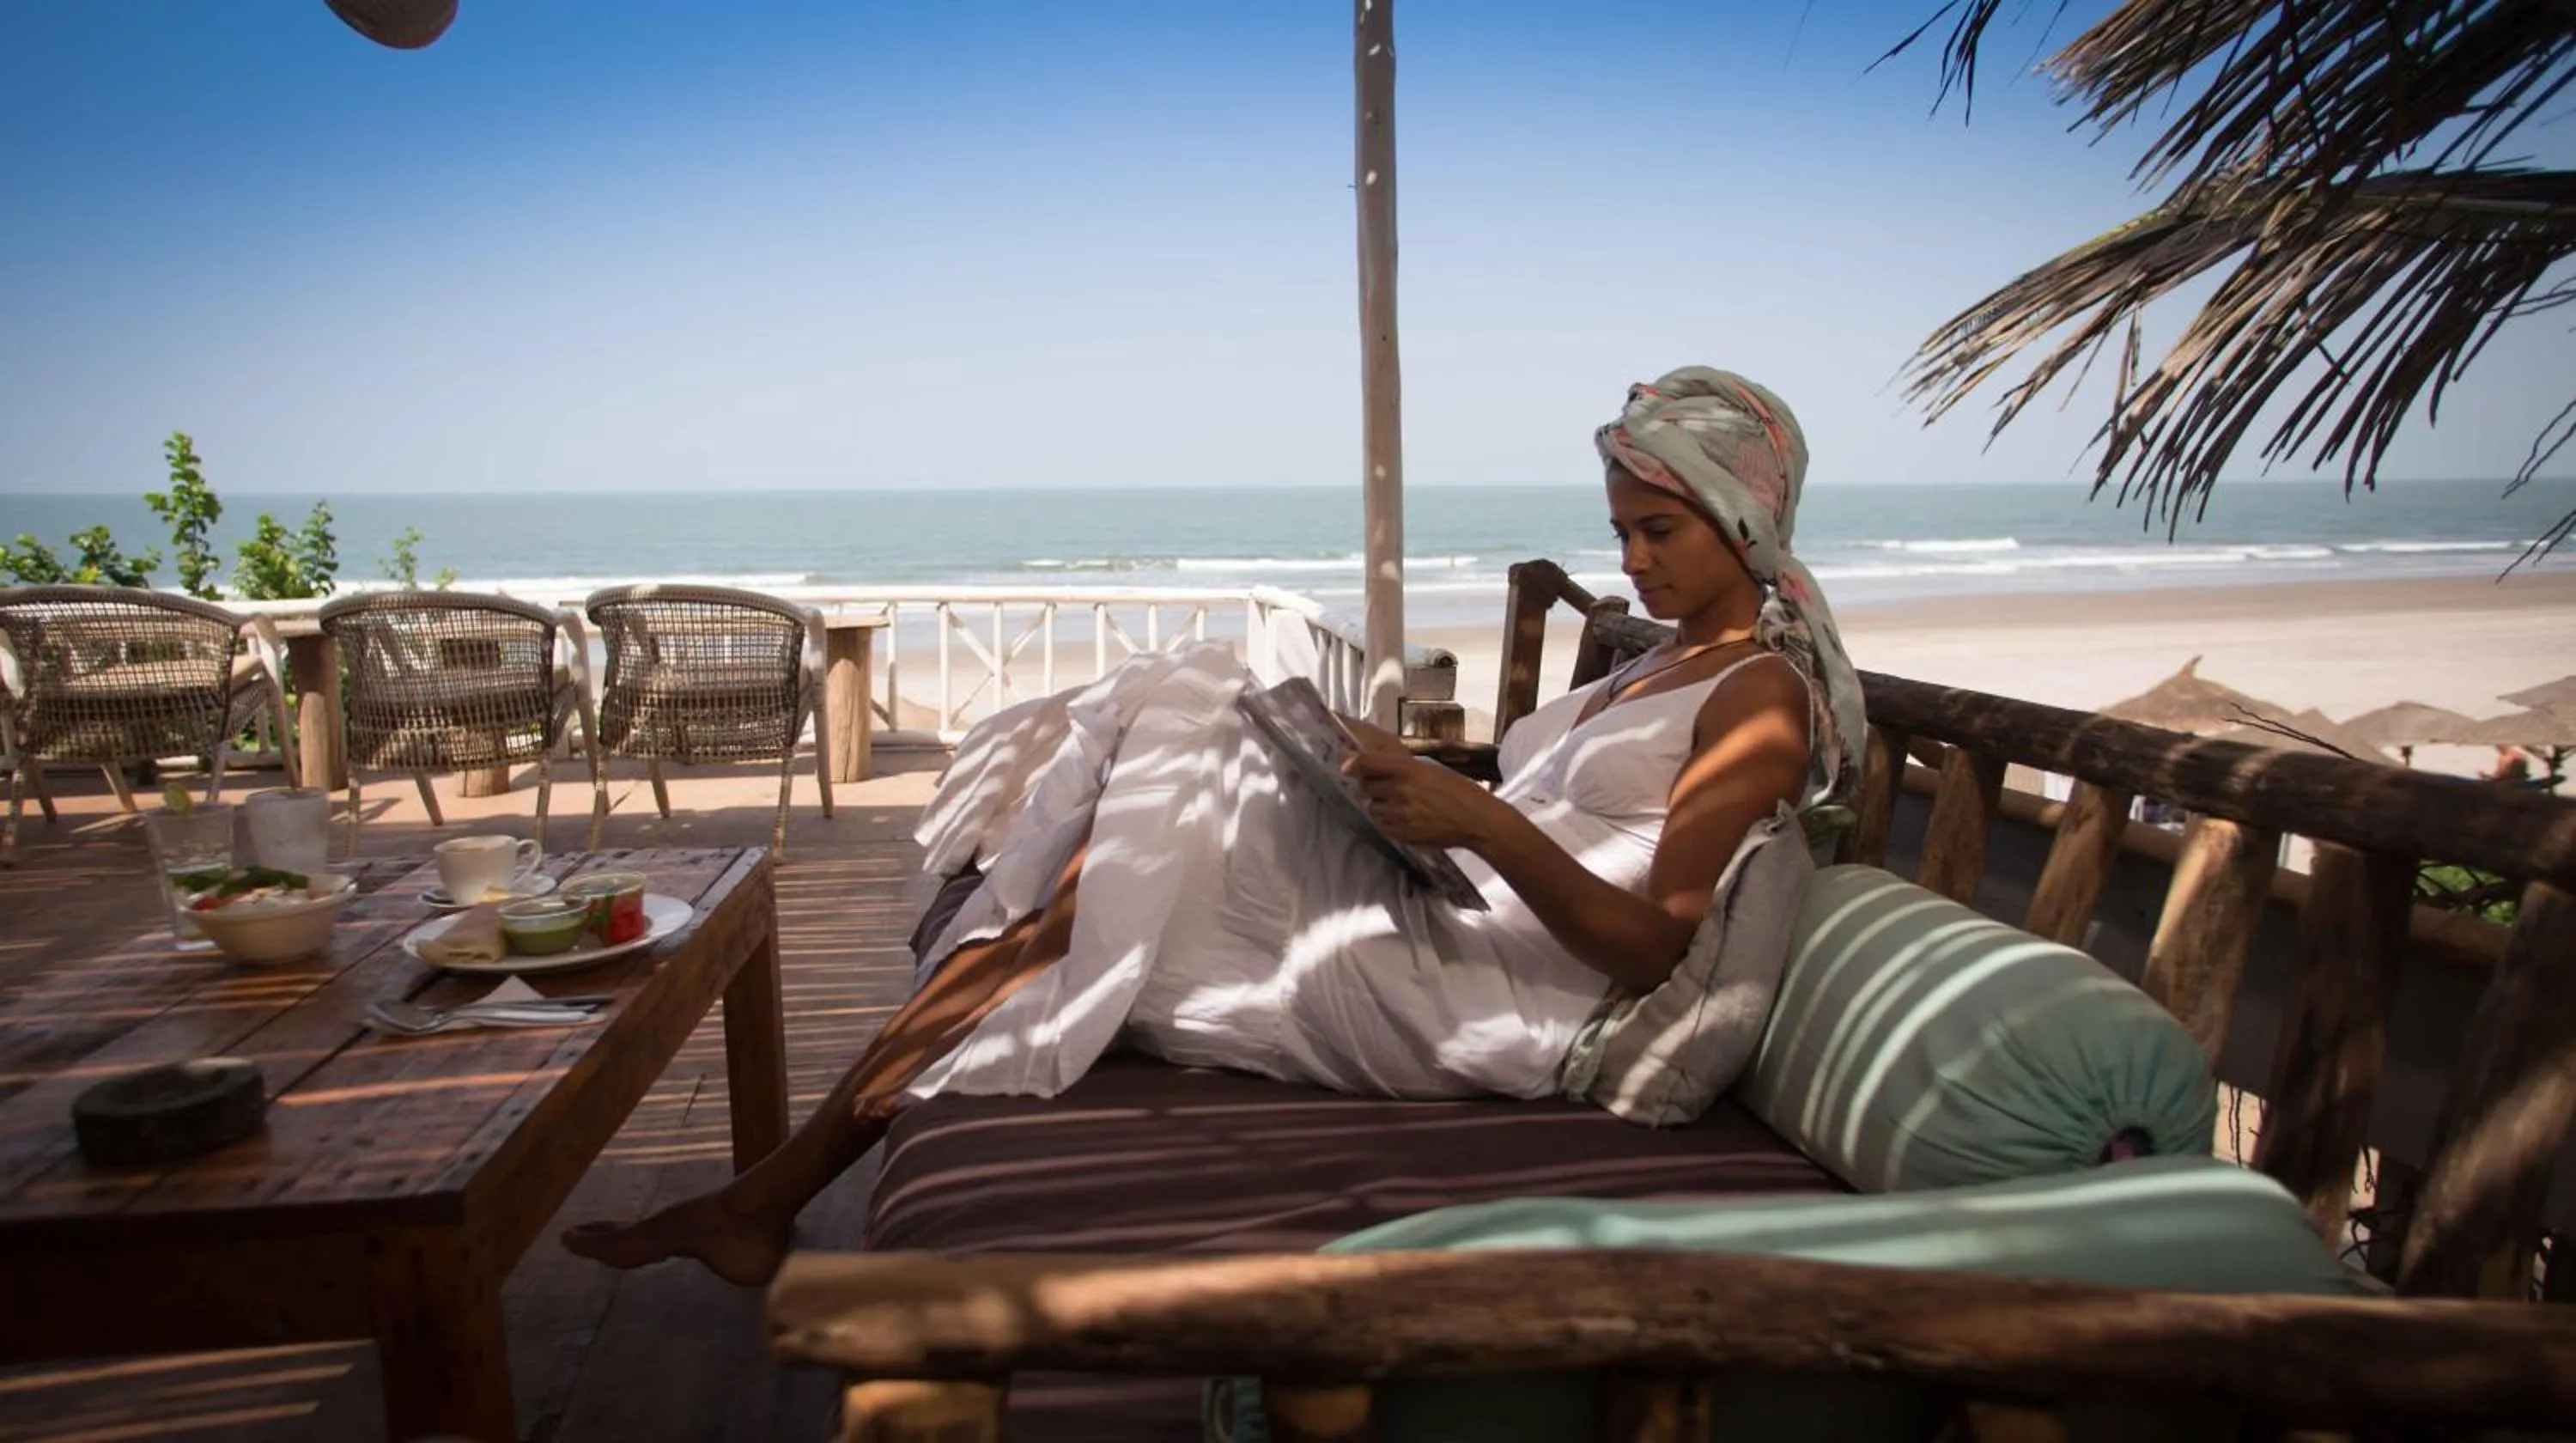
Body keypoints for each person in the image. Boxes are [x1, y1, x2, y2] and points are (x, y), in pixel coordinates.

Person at [562, 367, 1867, 1285]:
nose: (1634, 562)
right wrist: (1384, 783)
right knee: (1164, 782)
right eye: (1622, 533)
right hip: (1457, 909)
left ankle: (766, 1197)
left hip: (1505, 997)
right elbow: (1542, 816)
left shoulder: (1758, 697)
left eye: (1659, 531)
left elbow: (1647, 949)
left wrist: (1475, 820)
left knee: (1136, 814)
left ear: (1745, 523)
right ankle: (767, 1196)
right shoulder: (1651, 666)